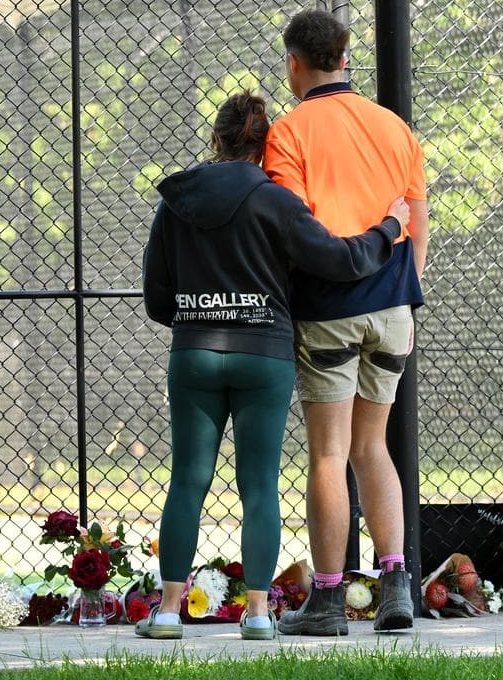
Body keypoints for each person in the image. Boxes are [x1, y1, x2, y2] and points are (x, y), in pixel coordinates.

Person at [137, 93, 410, 641]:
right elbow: (340, 260)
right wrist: (387, 227)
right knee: (259, 483)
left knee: (188, 479)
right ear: (266, 147)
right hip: (265, 353)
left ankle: (168, 612)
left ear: (216, 139)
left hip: (194, 350)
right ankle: (259, 614)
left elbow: (156, 297)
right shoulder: (276, 201)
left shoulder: (177, 201)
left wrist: (197, 318)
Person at [265, 9, 430, 636]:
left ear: (295, 63)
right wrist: (406, 295)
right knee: (373, 446)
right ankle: (395, 591)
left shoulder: (290, 132)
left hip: (329, 310)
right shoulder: (393, 126)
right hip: (392, 308)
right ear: (346, 56)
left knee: (330, 453)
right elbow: (416, 219)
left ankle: (329, 600)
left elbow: (296, 229)